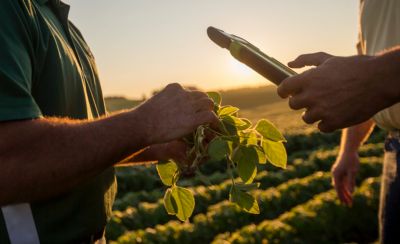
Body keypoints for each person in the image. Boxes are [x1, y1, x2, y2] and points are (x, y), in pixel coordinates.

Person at [0, 0, 218, 243]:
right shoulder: (10, 9)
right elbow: (8, 160)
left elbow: (87, 137)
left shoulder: (66, 27)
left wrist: (158, 146)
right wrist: (146, 123)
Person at [277, 0, 400, 243]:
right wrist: (349, 150)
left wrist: (374, 77)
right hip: (394, 152)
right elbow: (366, 76)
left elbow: (370, 78)